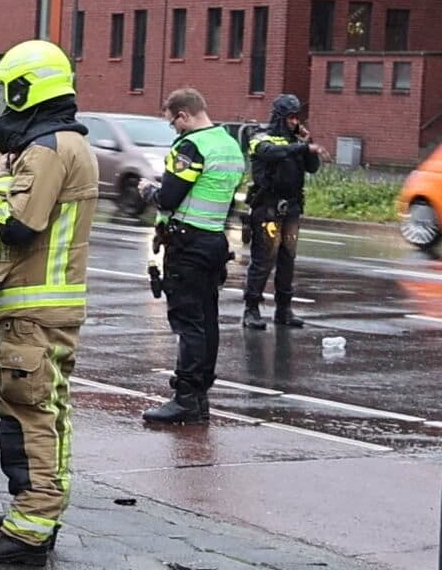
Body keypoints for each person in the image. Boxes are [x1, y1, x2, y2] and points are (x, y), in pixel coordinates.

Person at [0, 40, 97, 567]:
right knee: (49, 412)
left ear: (26, 90)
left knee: (28, 414)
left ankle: (30, 527)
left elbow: (19, 224)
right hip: (51, 307)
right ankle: (39, 515)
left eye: (7, 92)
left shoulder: (46, 150)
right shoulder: (69, 142)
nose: (2, 104)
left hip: (34, 310)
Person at [138, 88, 246, 425]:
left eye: (173, 123)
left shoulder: (191, 146)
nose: (174, 129)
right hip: (214, 240)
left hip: (188, 243)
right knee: (207, 319)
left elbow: (169, 198)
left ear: (183, 115)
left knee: (188, 323)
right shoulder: (228, 144)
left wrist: (148, 191)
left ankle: (185, 398)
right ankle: (200, 397)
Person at [243, 93, 324, 330]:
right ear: (280, 117)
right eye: (290, 117)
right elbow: (270, 152)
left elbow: (312, 168)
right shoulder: (260, 137)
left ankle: (284, 309)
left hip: (291, 207)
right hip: (267, 206)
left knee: (287, 259)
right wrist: (301, 146)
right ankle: (251, 309)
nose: (294, 121)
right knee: (264, 259)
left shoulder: (297, 142)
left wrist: (308, 143)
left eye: (297, 117)